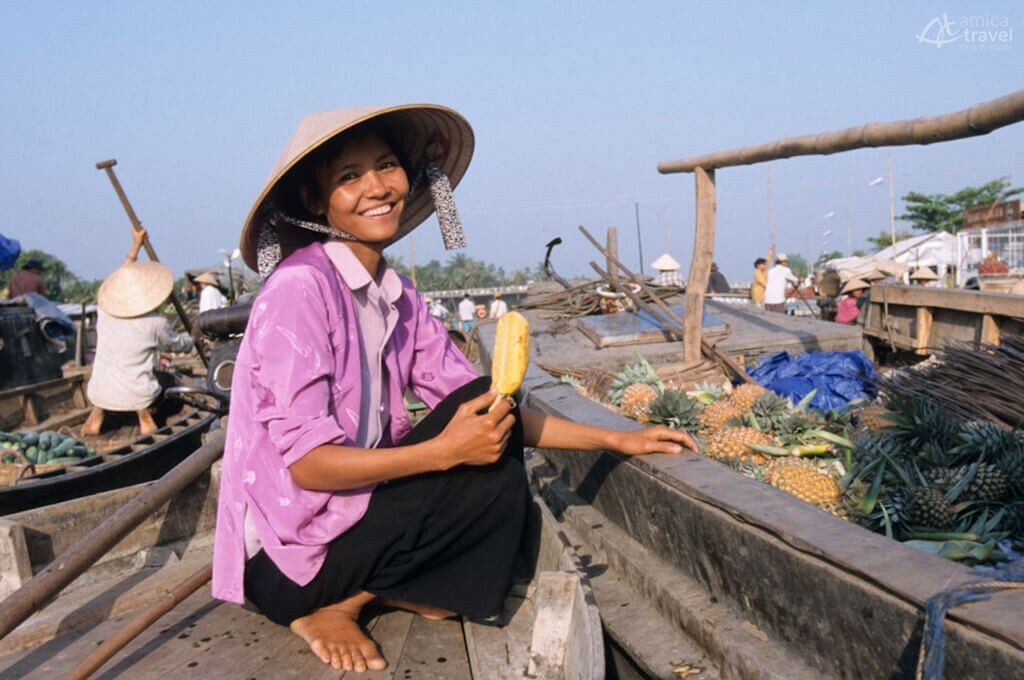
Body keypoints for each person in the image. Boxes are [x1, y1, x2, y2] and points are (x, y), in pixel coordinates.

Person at [211, 104, 696, 674]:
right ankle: (335, 605)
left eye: (386, 166)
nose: (376, 187)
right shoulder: (300, 290)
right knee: (478, 462)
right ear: (318, 203)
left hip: (349, 521)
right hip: (287, 560)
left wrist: (617, 439)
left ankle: (377, 588)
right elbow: (309, 468)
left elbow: (491, 406)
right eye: (349, 176)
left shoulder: (397, 296)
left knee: (492, 424)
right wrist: (441, 453)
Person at [82, 228, 195, 436]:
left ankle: (95, 418)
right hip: (137, 395)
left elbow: (120, 276)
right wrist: (193, 337)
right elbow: (180, 345)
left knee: (111, 384)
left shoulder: (104, 312)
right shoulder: (155, 323)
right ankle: (145, 419)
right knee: (162, 382)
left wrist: (135, 246)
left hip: (98, 392)